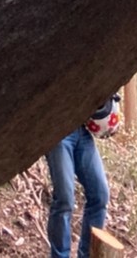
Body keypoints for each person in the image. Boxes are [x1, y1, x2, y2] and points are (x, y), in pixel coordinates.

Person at [44, 100, 116, 258]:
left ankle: (88, 254)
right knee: (64, 199)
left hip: (83, 130)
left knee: (100, 195)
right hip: (58, 133)